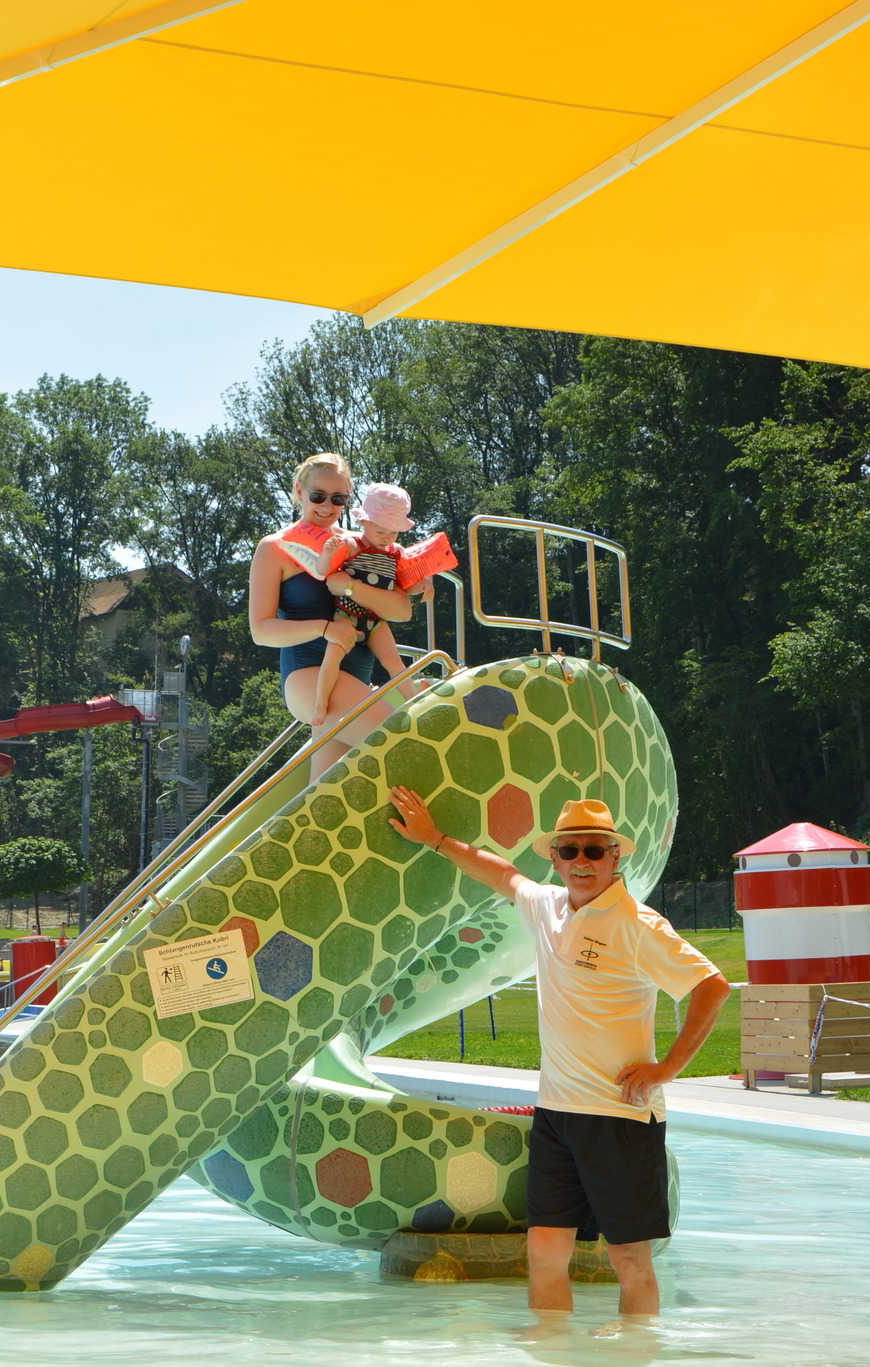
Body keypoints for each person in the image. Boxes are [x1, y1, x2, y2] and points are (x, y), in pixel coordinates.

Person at [386, 787, 732, 1319]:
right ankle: (550, 1350)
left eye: (594, 850)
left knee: (629, 1259)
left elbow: (712, 986)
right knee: (545, 1251)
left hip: (620, 1116)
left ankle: (636, 1354)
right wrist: (434, 839)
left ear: (615, 857)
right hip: (556, 1114)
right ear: (554, 857)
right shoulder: (547, 907)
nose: (581, 861)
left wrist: (668, 1068)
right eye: (569, 850)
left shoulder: (639, 925)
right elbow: (502, 875)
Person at [249, 453, 415, 777]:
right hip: (309, 676)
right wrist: (325, 629)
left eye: (338, 499)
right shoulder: (274, 548)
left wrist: (351, 587)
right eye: (318, 496)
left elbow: (401, 611)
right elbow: (261, 630)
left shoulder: (359, 544)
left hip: (358, 678)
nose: (327, 506)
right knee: (403, 746)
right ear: (300, 491)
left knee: (327, 795)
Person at [304, 483, 420, 728]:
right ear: (364, 522)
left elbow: (410, 581)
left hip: (375, 620)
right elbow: (322, 571)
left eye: (393, 532)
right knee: (333, 656)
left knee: (393, 661)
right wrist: (327, 554)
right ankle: (320, 702)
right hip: (346, 614)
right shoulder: (351, 545)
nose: (386, 537)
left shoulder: (396, 552)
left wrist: (425, 583)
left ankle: (416, 700)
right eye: (380, 530)